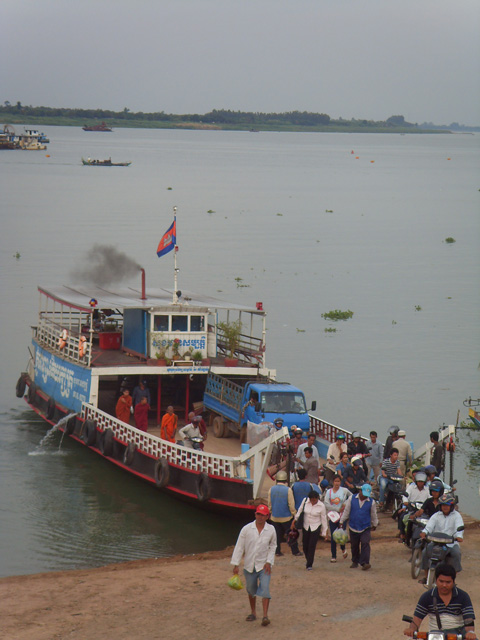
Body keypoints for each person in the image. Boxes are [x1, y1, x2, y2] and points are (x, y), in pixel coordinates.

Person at [230, 504, 277, 627]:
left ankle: (265, 616)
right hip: (249, 565)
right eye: (258, 514)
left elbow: (273, 546)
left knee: (265, 589)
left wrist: (269, 561)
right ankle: (253, 612)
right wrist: (236, 564)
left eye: (263, 515)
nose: (260, 517)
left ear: (267, 516)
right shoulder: (246, 529)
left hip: (264, 565)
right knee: (251, 590)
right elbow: (239, 546)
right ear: (255, 514)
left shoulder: (271, 529)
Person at [403, 563, 476, 638]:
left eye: (448, 582)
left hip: (458, 635)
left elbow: (468, 619)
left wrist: (470, 632)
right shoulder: (427, 597)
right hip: (435, 635)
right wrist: (411, 629)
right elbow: (417, 619)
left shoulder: (463, 596)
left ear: (453, 581)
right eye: (441, 581)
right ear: (436, 580)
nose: (444, 585)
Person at [419, 494, 464, 584]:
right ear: (440, 506)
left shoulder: (457, 516)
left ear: (451, 506)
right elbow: (429, 526)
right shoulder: (436, 515)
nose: (445, 507)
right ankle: (426, 576)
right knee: (425, 552)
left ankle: (453, 580)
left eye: (447, 505)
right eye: (443, 505)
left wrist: (459, 536)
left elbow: (459, 526)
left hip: (451, 543)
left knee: (456, 554)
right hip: (436, 542)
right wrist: (425, 532)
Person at [339, 483, 378, 570]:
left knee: (365, 543)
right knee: (354, 544)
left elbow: (373, 514)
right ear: (360, 491)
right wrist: (342, 521)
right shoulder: (351, 498)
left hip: (365, 526)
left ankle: (365, 562)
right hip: (353, 525)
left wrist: (374, 524)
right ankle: (355, 561)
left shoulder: (371, 502)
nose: (364, 496)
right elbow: (347, 511)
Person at [267, 471, 301, 557]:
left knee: (276, 536)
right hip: (286, 517)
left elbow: (269, 504)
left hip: (275, 517)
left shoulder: (271, 489)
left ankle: (277, 551)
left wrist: (271, 512)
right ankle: (295, 551)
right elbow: (291, 504)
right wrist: (294, 514)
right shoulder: (288, 490)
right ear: (285, 480)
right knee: (291, 535)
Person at [293, 489, 328, 570]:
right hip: (306, 526)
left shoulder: (321, 506)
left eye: (314, 500)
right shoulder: (305, 501)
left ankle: (309, 564)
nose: (313, 502)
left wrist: (324, 532)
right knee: (305, 545)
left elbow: (324, 519)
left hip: (315, 527)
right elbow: (300, 510)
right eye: (311, 500)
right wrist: (295, 520)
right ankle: (308, 559)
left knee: (312, 546)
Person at [324, 475, 352, 562]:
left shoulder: (344, 490)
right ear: (333, 482)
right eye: (335, 481)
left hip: (342, 516)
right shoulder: (329, 492)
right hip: (332, 516)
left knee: (341, 534)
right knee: (333, 535)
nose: (337, 483)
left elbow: (352, 497)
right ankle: (333, 555)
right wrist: (336, 509)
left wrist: (345, 504)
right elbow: (326, 503)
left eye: (338, 481)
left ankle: (343, 549)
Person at [397, 471, 430, 543]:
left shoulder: (427, 489)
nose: (420, 483)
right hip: (412, 508)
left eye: (422, 482)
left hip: (423, 509)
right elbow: (405, 495)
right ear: (416, 481)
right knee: (403, 517)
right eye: (419, 481)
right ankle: (403, 535)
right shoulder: (411, 487)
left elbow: (430, 498)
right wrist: (406, 502)